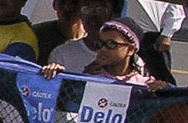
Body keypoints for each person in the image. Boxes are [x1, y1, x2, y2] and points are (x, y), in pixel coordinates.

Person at [41, 19, 169, 89]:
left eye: (112, 44)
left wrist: (165, 90)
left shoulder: (144, 85)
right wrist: (56, 75)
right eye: (100, 44)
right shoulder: (84, 77)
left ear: (131, 50)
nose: (103, 49)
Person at [31, 0, 86, 64]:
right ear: (54, 4)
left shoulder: (92, 39)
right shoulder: (36, 34)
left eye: (75, 2)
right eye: (62, 1)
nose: (68, 8)